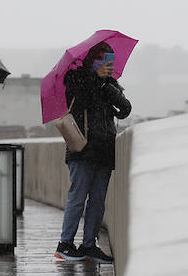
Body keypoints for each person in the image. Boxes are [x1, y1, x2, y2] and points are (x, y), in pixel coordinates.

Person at [54, 42, 131, 263]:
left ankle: (89, 245)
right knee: (77, 198)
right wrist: (96, 79)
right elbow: (79, 101)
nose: (106, 64)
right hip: (82, 147)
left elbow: (125, 109)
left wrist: (106, 83)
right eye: (102, 59)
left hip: (104, 149)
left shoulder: (110, 83)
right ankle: (65, 245)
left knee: (97, 200)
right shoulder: (76, 79)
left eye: (110, 60)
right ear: (91, 60)